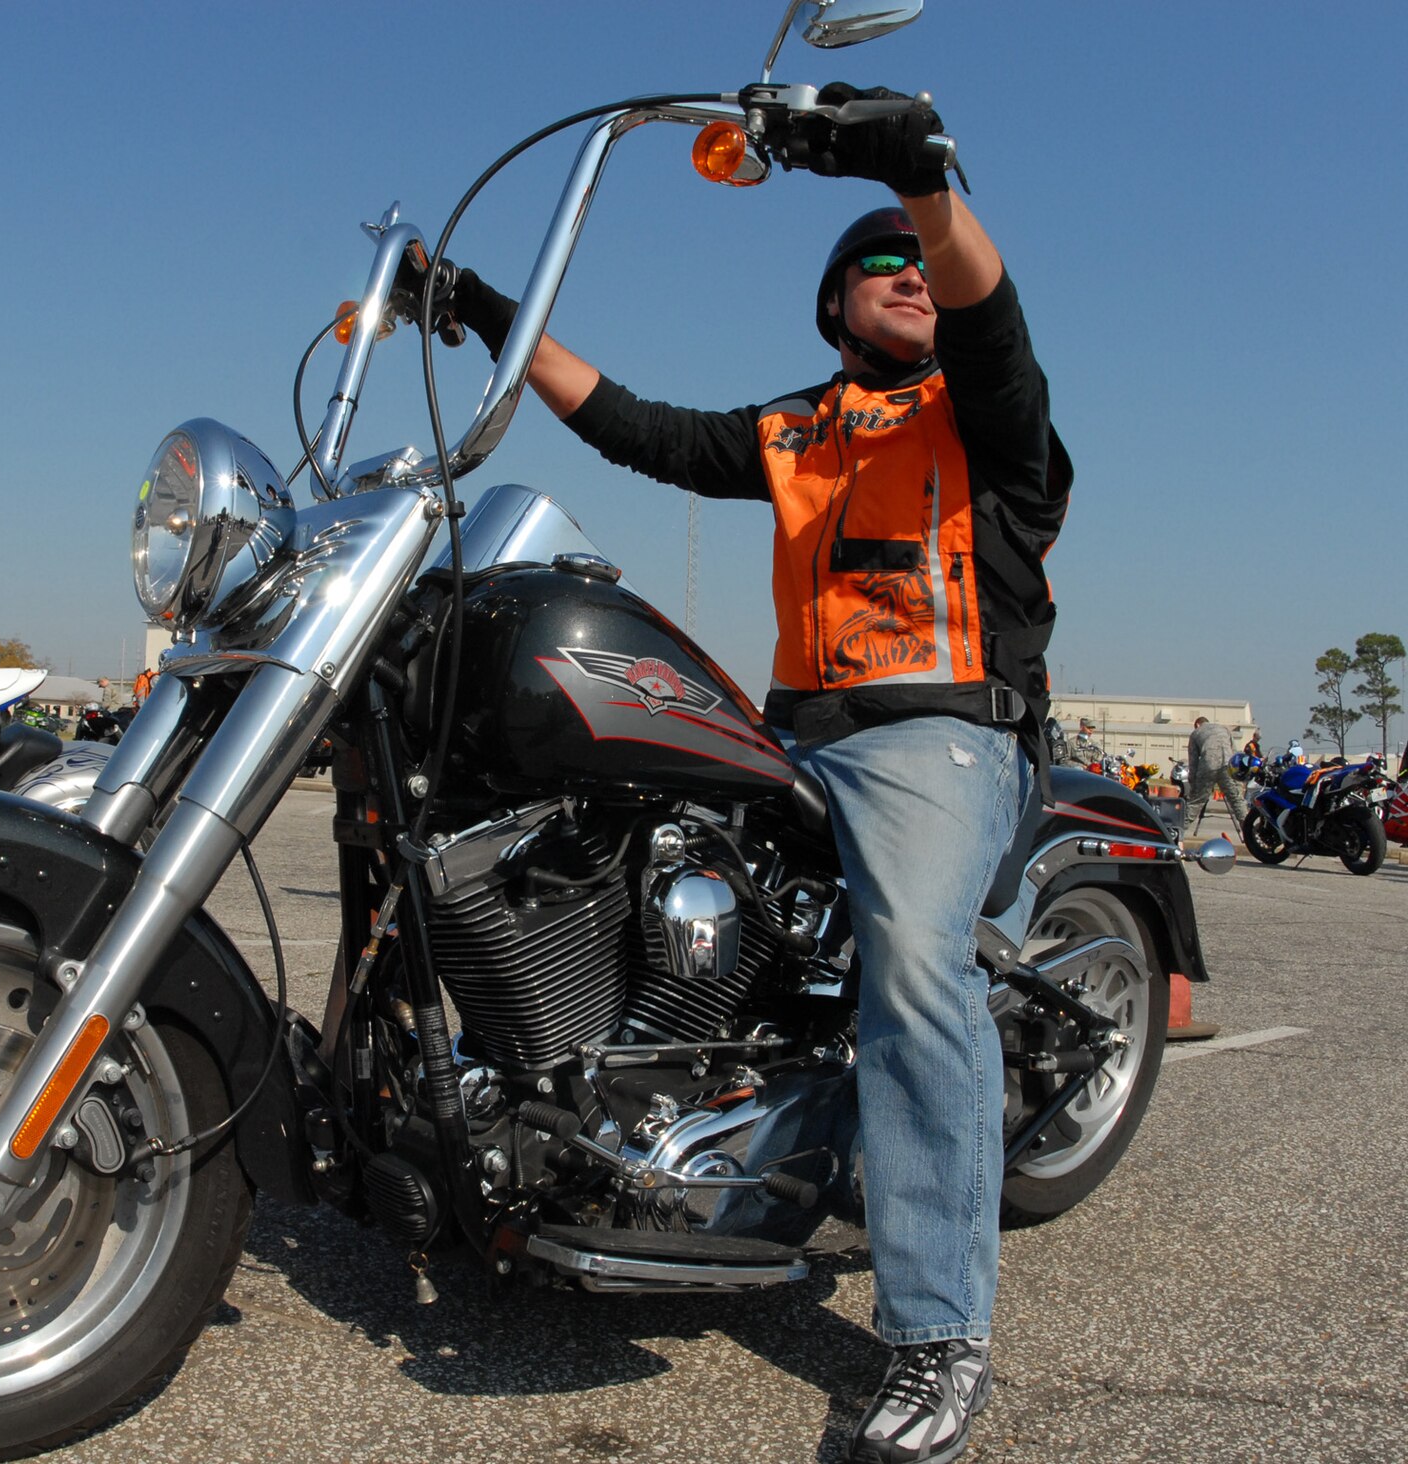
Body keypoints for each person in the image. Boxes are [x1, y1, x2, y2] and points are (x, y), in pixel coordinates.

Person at [431, 90, 1067, 1464]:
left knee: (914, 968)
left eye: (923, 268)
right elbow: (634, 428)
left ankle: (939, 1327)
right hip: (799, 731)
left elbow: (996, 318)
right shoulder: (796, 432)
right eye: (881, 264)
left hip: (943, 733)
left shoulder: (985, 414)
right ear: (834, 306)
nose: (911, 279)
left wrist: (925, 189)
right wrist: (492, 313)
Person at [1184, 716, 1247, 836]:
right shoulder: (1224, 729)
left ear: (1197, 725)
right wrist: (1238, 781)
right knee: (1236, 800)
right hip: (1228, 766)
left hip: (1208, 765)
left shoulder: (1196, 733)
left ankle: (1177, 832)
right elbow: (1235, 752)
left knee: (1196, 802)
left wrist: (1193, 783)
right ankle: (1249, 832)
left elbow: (1193, 761)